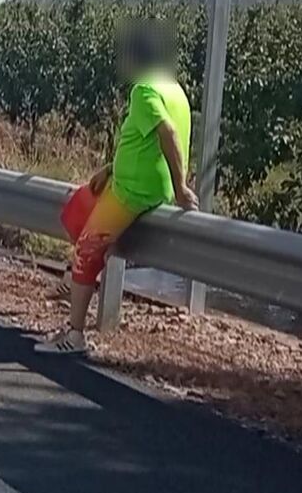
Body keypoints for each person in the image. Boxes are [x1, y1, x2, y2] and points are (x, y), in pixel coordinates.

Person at [36, 21, 199, 355]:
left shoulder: (144, 90)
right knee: (81, 203)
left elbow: (166, 133)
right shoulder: (174, 89)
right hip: (132, 181)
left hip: (135, 191)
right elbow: (147, 139)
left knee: (87, 249)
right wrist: (110, 169)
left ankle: (76, 334)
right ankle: (72, 280)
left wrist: (182, 188)